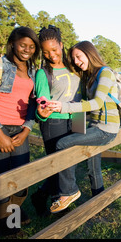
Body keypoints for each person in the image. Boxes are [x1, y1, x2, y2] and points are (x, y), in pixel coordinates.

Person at [0, 26, 40, 237]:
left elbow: (32, 103)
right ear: (12, 43)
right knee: (4, 179)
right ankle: (9, 228)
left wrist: (26, 129)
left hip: (19, 129)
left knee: (21, 178)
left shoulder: (31, 70)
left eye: (31, 47)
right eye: (23, 45)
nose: (27, 50)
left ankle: (14, 211)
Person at [47, 40, 120, 213]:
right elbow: (84, 104)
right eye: (74, 59)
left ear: (90, 53)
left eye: (79, 57)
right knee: (93, 165)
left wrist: (64, 107)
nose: (77, 62)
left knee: (62, 144)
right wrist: (77, 128)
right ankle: (99, 201)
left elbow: (96, 103)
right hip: (94, 126)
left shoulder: (106, 73)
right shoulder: (90, 76)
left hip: (106, 129)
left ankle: (69, 191)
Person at [30, 25, 82, 217]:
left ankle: (41, 194)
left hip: (78, 116)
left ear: (61, 44)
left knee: (72, 161)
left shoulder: (75, 67)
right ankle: (60, 210)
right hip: (54, 121)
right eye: (46, 52)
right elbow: (42, 100)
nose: (51, 55)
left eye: (54, 49)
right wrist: (41, 112)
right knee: (58, 163)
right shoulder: (44, 73)